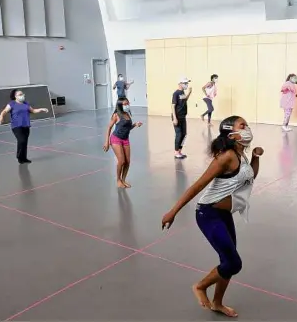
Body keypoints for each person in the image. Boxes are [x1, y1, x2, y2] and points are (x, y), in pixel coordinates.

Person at [161, 116, 264, 317]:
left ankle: (217, 303)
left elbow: (250, 176)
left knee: (227, 261)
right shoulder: (226, 156)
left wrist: (256, 157)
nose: (247, 128)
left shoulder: (241, 153)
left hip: (224, 214)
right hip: (208, 214)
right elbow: (199, 185)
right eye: (242, 125)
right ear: (230, 131)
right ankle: (200, 286)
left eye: (247, 124)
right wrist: (173, 211)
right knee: (234, 263)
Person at [0, 89, 49, 164]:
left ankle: (24, 158)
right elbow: (5, 111)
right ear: (15, 96)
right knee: (21, 140)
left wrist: (41, 109)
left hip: (26, 125)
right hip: (16, 126)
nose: (22, 96)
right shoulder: (12, 103)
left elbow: (33, 111)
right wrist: (1, 116)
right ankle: (19, 157)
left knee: (25, 142)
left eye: (23, 94)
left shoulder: (26, 103)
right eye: (20, 94)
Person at [103, 98, 143, 188]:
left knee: (127, 162)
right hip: (116, 139)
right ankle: (118, 180)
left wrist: (135, 124)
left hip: (125, 139)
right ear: (120, 105)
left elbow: (127, 128)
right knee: (121, 161)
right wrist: (106, 142)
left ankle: (123, 180)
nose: (127, 105)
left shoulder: (127, 114)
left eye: (128, 103)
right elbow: (109, 127)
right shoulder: (116, 115)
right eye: (125, 104)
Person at [172, 77, 192, 159]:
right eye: (185, 83)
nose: (186, 85)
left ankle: (180, 150)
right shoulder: (176, 93)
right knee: (179, 134)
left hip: (183, 116)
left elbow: (185, 100)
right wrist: (174, 118)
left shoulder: (182, 92)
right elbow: (173, 106)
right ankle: (176, 152)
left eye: (187, 83)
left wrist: (189, 92)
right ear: (180, 83)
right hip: (177, 116)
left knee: (184, 134)